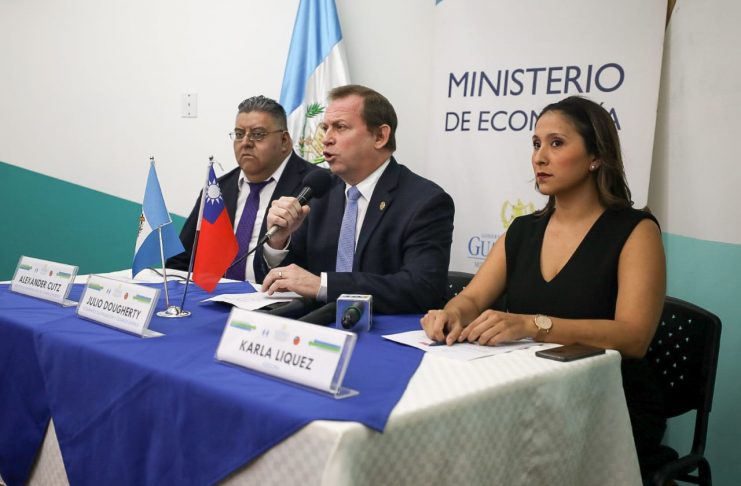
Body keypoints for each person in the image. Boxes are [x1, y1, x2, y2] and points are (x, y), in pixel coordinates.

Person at [420, 96, 666, 476]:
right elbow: (473, 297)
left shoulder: (636, 230)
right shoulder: (523, 230)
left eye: (556, 143)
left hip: (608, 404)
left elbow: (634, 337)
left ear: (596, 156)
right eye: (536, 144)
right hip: (523, 394)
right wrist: (450, 314)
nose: (539, 157)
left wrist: (532, 325)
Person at [258, 84, 455, 318]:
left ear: (380, 136)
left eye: (340, 127)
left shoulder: (425, 201)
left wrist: (324, 285)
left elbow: (422, 287)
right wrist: (278, 242)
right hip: (315, 325)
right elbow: (291, 278)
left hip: (382, 328)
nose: (326, 139)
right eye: (325, 128)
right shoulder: (319, 191)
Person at [167, 96, 320, 281]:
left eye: (258, 134)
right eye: (239, 134)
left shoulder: (317, 187)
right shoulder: (217, 190)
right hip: (214, 295)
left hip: (280, 298)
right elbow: (180, 262)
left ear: (284, 140)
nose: (245, 142)